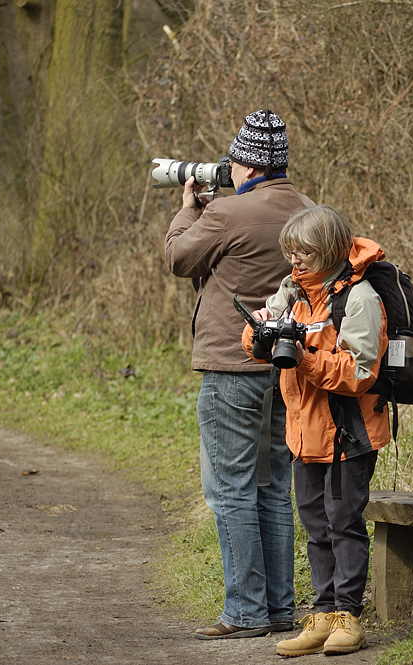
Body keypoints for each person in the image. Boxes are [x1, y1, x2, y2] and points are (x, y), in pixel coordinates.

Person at [164, 109, 313, 640]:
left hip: (233, 366)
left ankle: (244, 612)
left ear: (248, 164)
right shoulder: (310, 213)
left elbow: (180, 258)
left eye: (235, 161)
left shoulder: (228, 212)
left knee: (230, 489)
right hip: (290, 368)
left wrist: (188, 211)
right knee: (273, 488)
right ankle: (277, 610)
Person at [242, 204, 390, 656]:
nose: (295, 261)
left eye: (303, 252)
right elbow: (256, 337)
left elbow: (361, 373)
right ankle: (323, 616)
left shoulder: (359, 299)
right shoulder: (292, 294)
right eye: (291, 252)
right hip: (304, 432)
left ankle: (349, 617)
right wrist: (259, 336)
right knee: (314, 525)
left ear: (327, 251)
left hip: (348, 434)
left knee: (343, 523)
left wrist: (303, 358)